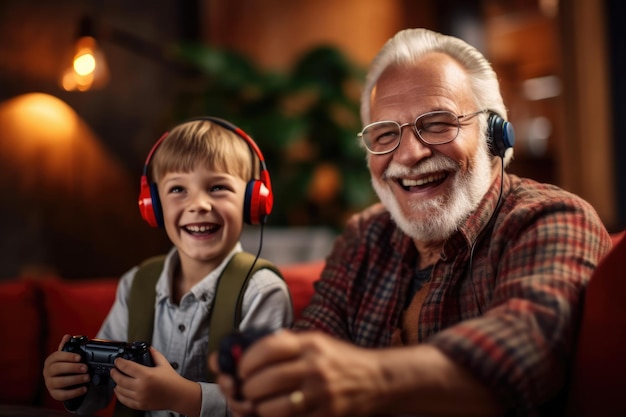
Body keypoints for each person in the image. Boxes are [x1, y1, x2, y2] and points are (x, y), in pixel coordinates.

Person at [210, 28, 612, 417]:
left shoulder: (551, 218)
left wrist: (370, 380)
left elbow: (524, 352)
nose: (409, 155)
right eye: (385, 134)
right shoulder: (364, 235)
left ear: (495, 136)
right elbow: (312, 346)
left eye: (437, 123)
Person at [43, 117, 293, 417]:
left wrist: (182, 396)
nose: (198, 204)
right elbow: (102, 387)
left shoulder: (262, 291)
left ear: (254, 201)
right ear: (153, 205)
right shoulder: (136, 283)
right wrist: (74, 384)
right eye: (178, 190)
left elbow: (267, 403)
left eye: (217, 187)